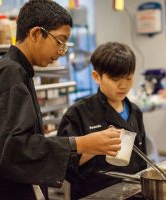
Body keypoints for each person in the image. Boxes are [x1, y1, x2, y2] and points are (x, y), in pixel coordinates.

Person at [0, 1, 121, 200]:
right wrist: (80, 143)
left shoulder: (20, 71)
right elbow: (13, 150)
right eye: (60, 42)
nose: (61, 51)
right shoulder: (9, 72)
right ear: (36, 34)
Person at [57, 42, 147, 199]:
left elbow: (142, 162)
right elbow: (63, 167)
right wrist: (91, 147)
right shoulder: (78, 113)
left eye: (128, 78)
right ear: (96, 77)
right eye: (115, 79)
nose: (123, 85)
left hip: (133, 193)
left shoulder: (135, 111)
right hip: (94, 194)